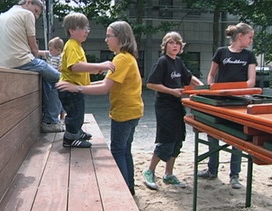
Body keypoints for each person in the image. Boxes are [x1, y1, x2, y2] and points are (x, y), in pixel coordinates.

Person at [57, 20, 143, 195]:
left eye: (109, 36)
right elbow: (105, 82)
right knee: (126, 149)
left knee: (118, 150)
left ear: (119, 37)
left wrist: (77, 88)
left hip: (124, 114)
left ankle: (123, 192)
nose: (106, 40)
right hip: (133, 111)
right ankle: (130, 188)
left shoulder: (121, 58)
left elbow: (104, 88)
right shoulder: (128, 57)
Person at [198, 23, 256, 189]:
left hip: (239, 101)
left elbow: (251, 81)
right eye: (250, 37)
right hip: (220, 100)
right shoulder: (221, 52)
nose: (251, 41)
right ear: (240, 36)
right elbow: (211, 75)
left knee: (236, 137)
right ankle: (211, 169)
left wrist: (235, 91)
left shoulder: (249, 55)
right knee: (213, 133)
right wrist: (212, 90)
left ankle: (234, 175)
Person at [143, 31, 203, 190]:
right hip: (164, 106)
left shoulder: (179, 62)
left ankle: (168, 174)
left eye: (177, 43)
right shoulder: (162, 62)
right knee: (166, 139)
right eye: (171, 43)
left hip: (178, 105)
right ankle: (149, 171)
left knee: (178, 139)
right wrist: (171, 91)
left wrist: (204, 88)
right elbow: (151, 84)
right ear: (165, 46)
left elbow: (189, 78)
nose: (175, 46)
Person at [0, 0, 64, 133]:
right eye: (36, 11)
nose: (36, 16)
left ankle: (48, 116)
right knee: (60, 79)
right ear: (28, 2)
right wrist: (38, 56)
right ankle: (51, 121)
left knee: (46, 77)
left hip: (4, 63)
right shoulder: (27, 15)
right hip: (23, 61)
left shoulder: (2, 16)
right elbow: (33, 47)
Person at [57, 12, 115, 148]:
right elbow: (75, 67)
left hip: (75, 87)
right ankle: (70, 138)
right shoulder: (71, 45)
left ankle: (77, 131)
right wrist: (100, 65)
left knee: (78, 112)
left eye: (87, 28)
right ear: (72, 30)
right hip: (69, 88)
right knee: (75, 114)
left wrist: (95, 70)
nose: (86, 31)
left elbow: (81, 68)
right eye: (83, 28)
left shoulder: (77, 46)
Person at [38, 36, 66, 122]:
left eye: (51, 49)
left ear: (58, 50)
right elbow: (40, 52)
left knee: (58, 98)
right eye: (49, 49)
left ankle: (62, 115)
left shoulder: (61, 57)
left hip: (56, 77)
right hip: (49, 77)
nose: (49, 51)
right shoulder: (49, 54)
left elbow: (60, 68)